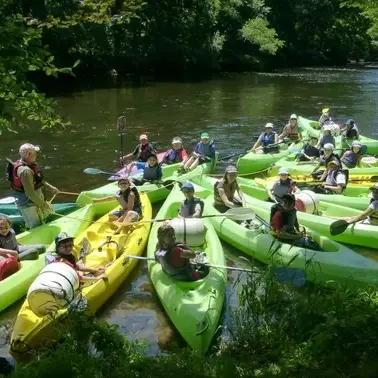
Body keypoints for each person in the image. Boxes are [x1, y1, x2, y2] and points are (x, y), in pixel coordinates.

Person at [7, 143, 58, 229]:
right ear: (29, 154)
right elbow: (30, 193)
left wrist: (51, 187)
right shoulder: (25, 171)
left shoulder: (28, 165)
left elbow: (38, 179)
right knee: (36, 228)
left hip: (35, 201)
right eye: (35, 153)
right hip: (29, 205)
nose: (36, 155)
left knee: (41, 223)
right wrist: (44, 205)